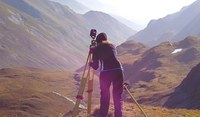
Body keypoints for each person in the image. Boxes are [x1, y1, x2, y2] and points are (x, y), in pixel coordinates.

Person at [90, 32, 124, 117]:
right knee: (117, 97)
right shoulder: (112, 46)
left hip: (106, 73)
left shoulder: (97, 48)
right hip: (119, 71)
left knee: (105, 96)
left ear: (98, 41)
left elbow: (95, 66)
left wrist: (90, 63)